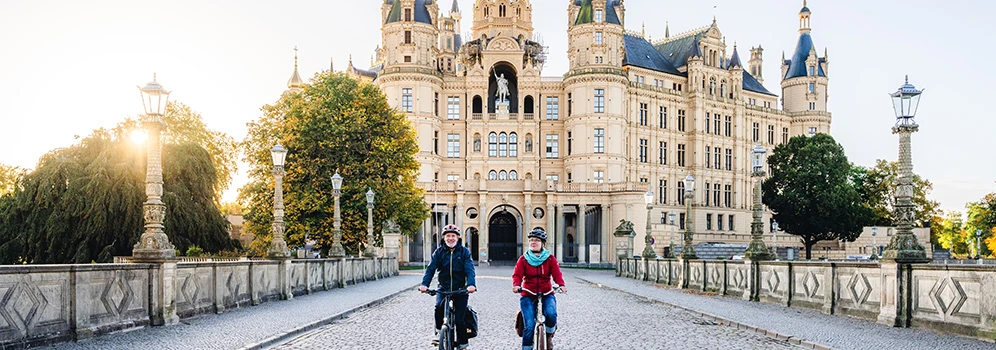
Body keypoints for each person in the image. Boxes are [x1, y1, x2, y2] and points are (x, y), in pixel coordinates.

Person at [420, 224, 477, 349]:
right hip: (443, 288)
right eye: (448, 236)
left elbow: (469, 270)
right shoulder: (439, 252)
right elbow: (431, 269)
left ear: (458, 238)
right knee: (438, 308)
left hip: (460, 289)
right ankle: (439, 332)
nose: (450, 238)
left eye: (453, 236)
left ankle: (463, 344)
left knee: (459, 319)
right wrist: (425, 284)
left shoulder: (464, 252)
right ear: (444, 238)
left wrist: (471, 285)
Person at [512, 228, 566, 350]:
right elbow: (517, 275)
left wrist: (561, 284)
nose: (533, 242)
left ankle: (548, 336)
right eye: (531, 240)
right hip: (528, 293)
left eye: (536, 240)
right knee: (529, 325)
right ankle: (526, 348)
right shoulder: (523, 259)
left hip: (547, 292)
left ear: (543, 243)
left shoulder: (550, 259)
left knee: (551, 314)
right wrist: (516, 285)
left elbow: (557, 273)